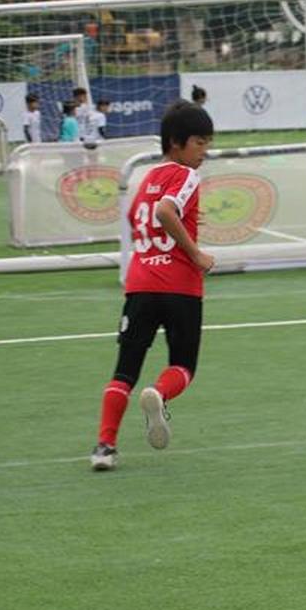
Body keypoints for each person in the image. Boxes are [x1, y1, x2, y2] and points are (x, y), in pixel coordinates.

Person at [89, 101, 216, 470]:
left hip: (140, 286)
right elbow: (165, 212)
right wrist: (195, 253)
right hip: (180, 288)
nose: (204, 152)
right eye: (199, 143)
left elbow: (140, 218)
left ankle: (104, 447)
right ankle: (158, 394)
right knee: (183, 366)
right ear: (176, 142)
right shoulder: (186, 175)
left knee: (124, 372)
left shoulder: (145, 180)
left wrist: (182, 222)